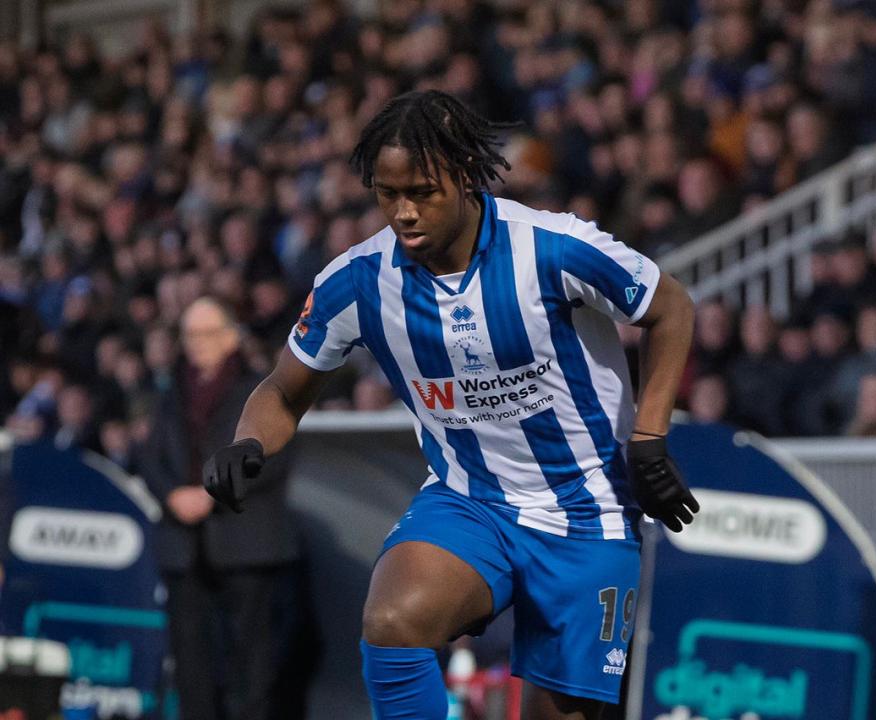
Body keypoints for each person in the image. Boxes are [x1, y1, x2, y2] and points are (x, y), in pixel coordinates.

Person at [204, 90, 698, 720]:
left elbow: (670, 308)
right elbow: (281, 390)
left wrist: (650, 437)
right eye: (388, 195)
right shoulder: (356, 280)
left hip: (589, 510)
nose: (404, 212)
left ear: (465, 177)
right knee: (391, 621)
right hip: (471, 499)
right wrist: (251, 441)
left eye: (422, 192)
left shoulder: (551, 246)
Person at [141, 297, 297, 720]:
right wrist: (173, 495)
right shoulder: (171, 392)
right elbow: (150, 457)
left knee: (252, 662)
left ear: (231, 337)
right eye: (189, 334)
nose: (196, 343)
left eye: (206, 333)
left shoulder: (261, 388)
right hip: (183, 546)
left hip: (245, 543)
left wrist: (211, 495)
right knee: (191, 663)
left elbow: (274, 457)